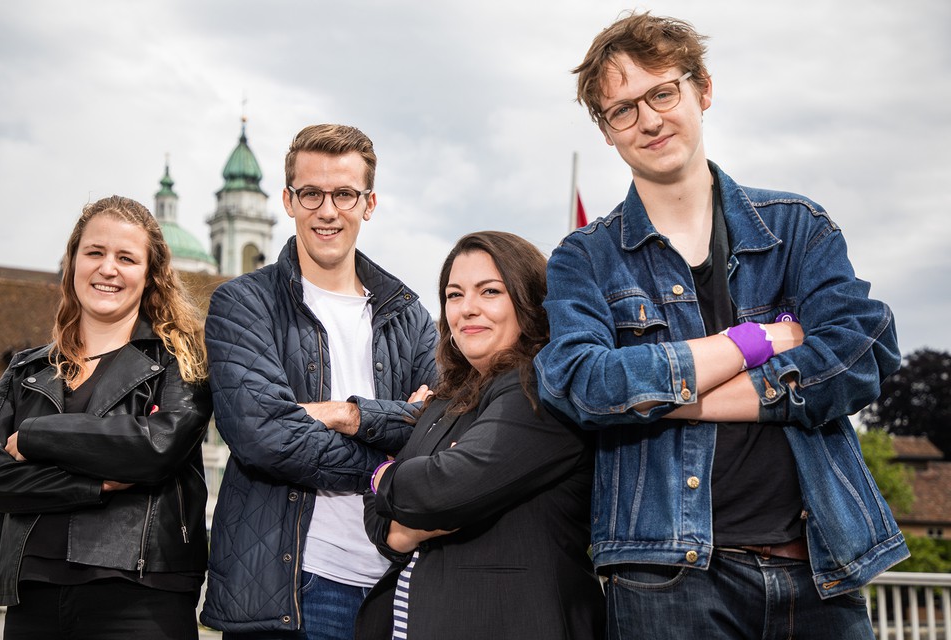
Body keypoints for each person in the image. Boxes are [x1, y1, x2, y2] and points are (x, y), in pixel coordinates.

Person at [534, 12, 909, 639]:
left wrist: (673, 400)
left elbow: (864, 351)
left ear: (702, 89)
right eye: (621, 110)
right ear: (606, 132)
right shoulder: (584, 258)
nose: (649, 120)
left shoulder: (796, 228)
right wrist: (751, 343)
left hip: (816, 571)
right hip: (663, 580)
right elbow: (579, 383)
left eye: (662, 92)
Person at [201, 124, 438, 639]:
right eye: (311, 193)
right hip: (293, 587)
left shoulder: (411, 317)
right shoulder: (242, 305)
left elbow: (440, 433)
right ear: (289, 200)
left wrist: (346, 413)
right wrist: (386, 461)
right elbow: (264, 437)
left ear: (368, 203)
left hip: (395, 587)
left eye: (344, 194)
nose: (327, 210)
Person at [0, 195, 212, 639]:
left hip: (141, 594)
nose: (108, 268)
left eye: (126, 258)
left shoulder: (180, 360)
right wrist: (95, 482)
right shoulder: (27, 370)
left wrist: (35, 436)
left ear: (150, 274)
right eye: (95, 253)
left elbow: (154, 449)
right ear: (73, 262)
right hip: (32, 593)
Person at [355, 231, 605, 640]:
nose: (467, 309)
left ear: (528, 301)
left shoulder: (540, 387)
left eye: (489, 291)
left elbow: (442, 491)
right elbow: (379, 515)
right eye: (454, 295)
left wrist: (385, 475)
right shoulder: (449, 396)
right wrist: (407, 518)